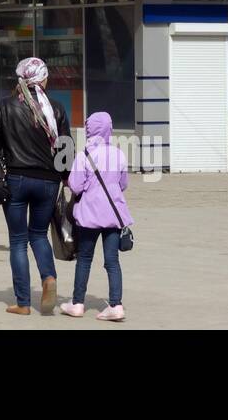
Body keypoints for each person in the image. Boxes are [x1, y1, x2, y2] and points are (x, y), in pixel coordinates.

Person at [0, 57, 71, 316]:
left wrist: (7, 151)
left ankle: (22, 302)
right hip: (48, 182)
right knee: (39, 235)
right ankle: (48, 277)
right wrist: (66, 178)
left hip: (16, 180)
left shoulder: (6, 106)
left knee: (18, 240)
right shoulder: (56, 108)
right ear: (42, 80)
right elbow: (66, 150)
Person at [62, 112, 132, 322]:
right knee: (112, 261)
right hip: (112, 215)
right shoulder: (119, 154)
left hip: (89, 215)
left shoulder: (84, 155)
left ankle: (77, 303)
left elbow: (75, 186)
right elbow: (123, 184)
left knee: (84, 259)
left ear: (90, 129)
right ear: (109, 129)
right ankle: (116, 305)